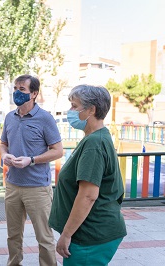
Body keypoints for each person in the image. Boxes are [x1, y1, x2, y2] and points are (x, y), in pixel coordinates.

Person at [49, 85, 127, 265]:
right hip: (91, 233)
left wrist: (66, 235)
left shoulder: (94, 144)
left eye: (74, 106)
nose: (70, 111)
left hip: (89, 237)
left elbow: (88, 195)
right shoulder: (94, 138)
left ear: (92, 109)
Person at [0, 74, 63, 266]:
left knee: (44, 237)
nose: (17, 93)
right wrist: (4, 155)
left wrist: (32, 160)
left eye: (22, 90)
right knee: (13, 235)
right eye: (15, 89)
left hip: (37, 188)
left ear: (34, 93)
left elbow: (58, 151)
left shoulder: (45, 119)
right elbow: (3, 144)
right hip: (13, 185)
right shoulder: (10, 117)